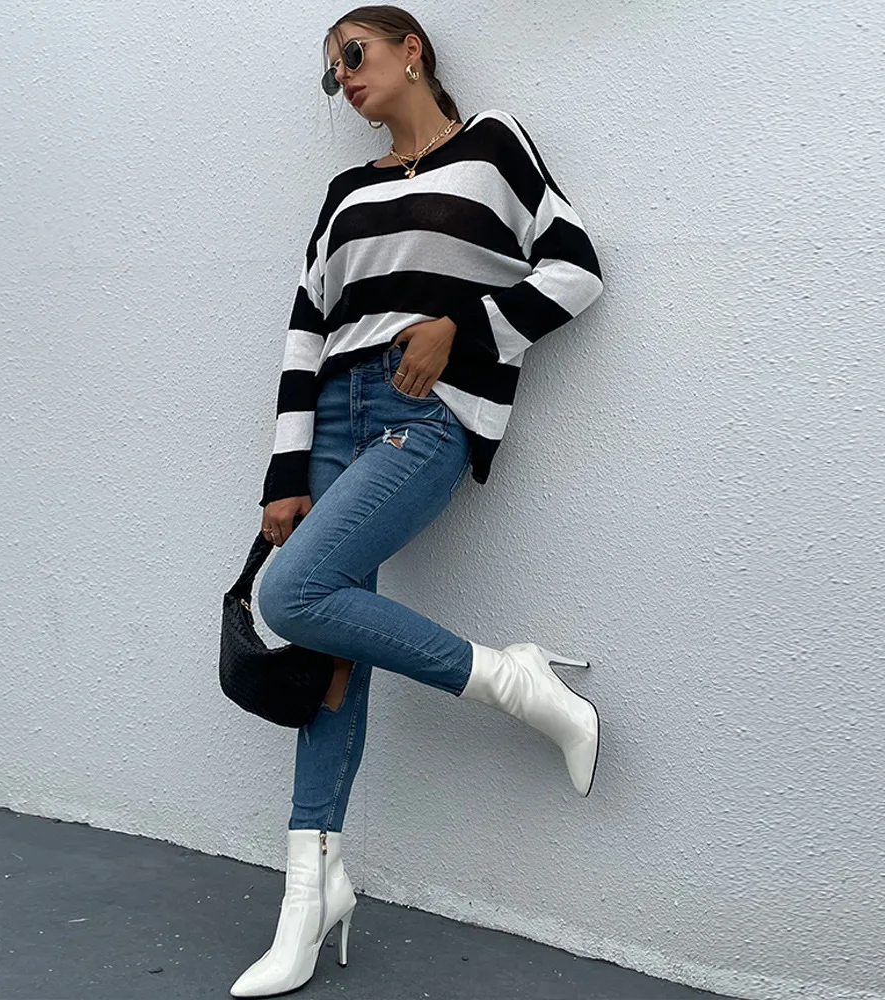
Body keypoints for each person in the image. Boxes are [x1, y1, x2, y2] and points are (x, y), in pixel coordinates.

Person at [231, 6, 605, 996]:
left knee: (293, 597)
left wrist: (461, 327)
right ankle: (311, 895)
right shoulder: (344, 192)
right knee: (328, 664)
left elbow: (576, 270)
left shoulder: (494, 144)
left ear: (412, 50)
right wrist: (283, 476)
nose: (343, 78)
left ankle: (518, 682)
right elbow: (306, 330)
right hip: (333, 420)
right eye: (331, 73)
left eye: (352, 54)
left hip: (423, 409)